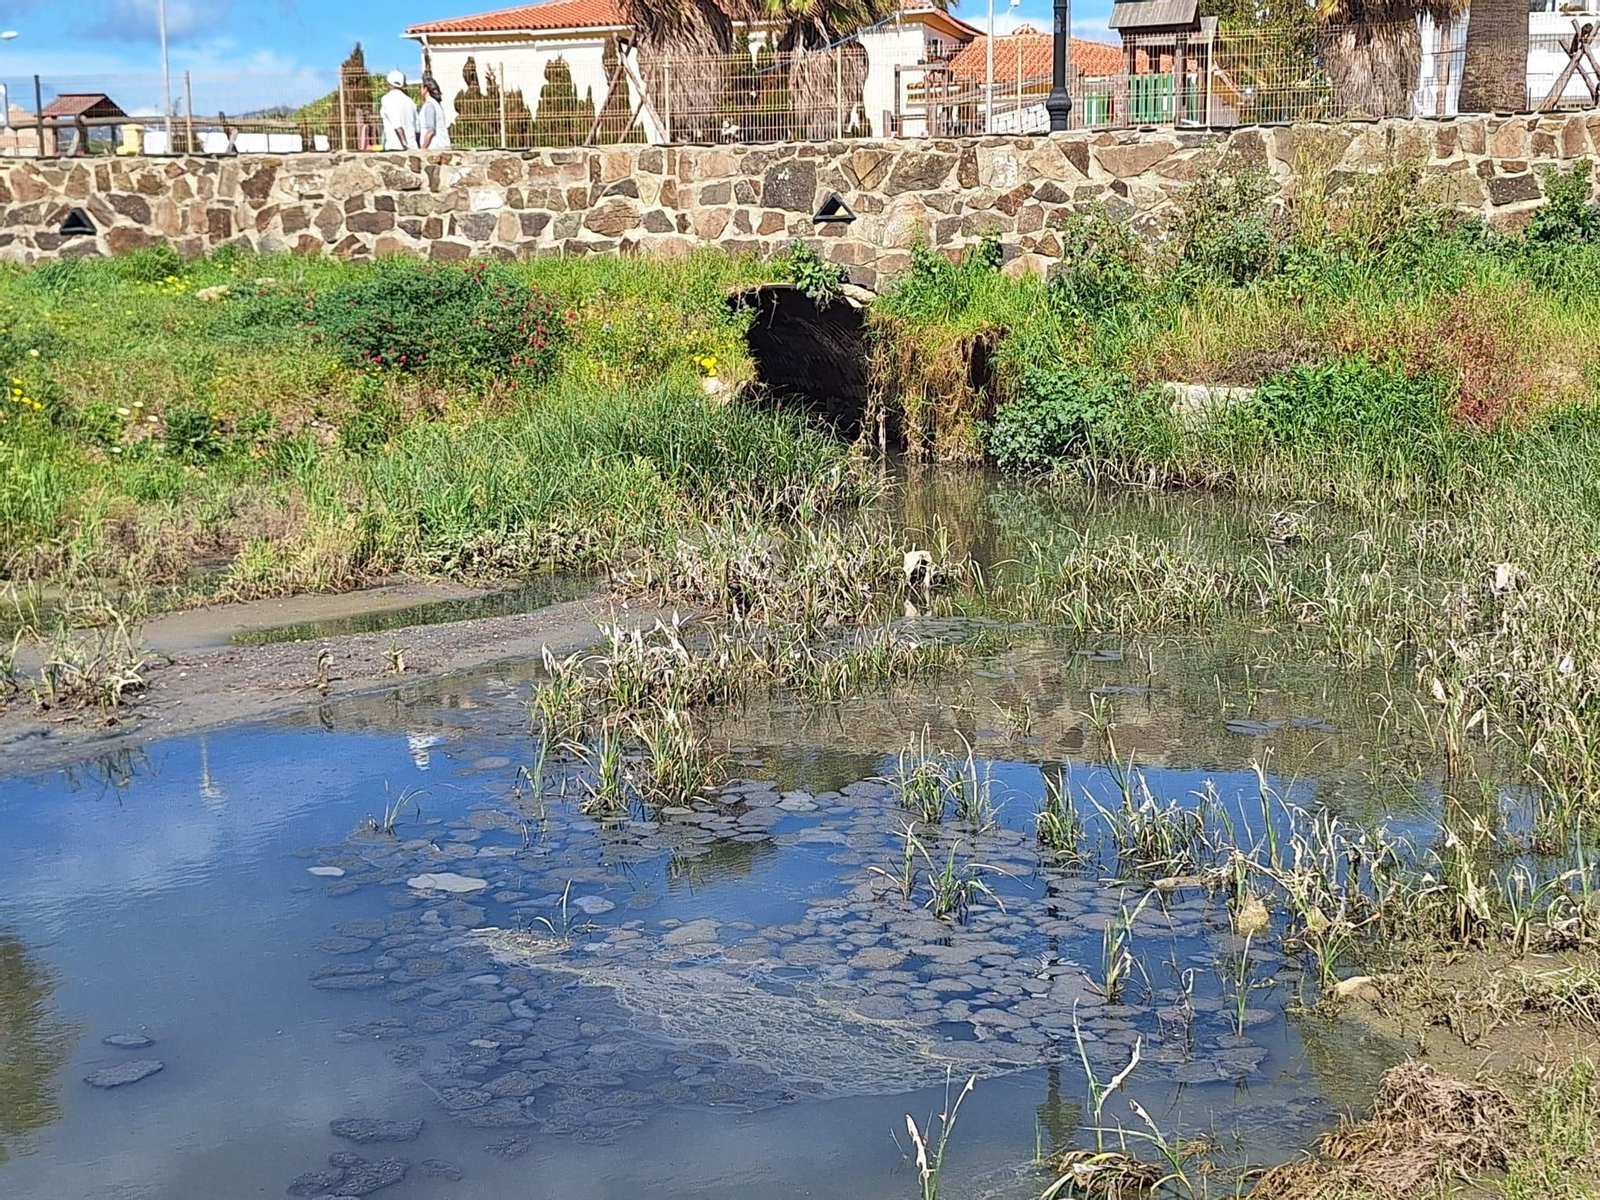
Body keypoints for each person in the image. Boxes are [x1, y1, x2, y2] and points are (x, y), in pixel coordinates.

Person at [379, 69, 418, 152]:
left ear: (388, 84)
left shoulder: (387, 99)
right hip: (413, 146)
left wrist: (405, 145)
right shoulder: (410, 101)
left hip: (396, 147)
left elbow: (397, 125)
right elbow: (416, 127)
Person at [418, 76, 452, 150]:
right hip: (442, 146)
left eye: (420, 87)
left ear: (425, 89)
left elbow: (431, 131)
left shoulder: (429, 105)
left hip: (433, 148)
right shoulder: (436, 104)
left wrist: (423, 148)